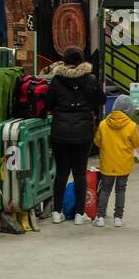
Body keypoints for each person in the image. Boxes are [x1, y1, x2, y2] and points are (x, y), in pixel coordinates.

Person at [47, 47, 104, 225]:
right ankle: (80, 214)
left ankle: (57, 212)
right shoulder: (91, 79)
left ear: (65, 60)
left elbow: (48, 103)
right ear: (81, 60)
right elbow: (101, 101)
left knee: (61, 172)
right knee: (79, 172)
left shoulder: (56, 79)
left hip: (60, 132)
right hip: (83, 132)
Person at [92, 95, 139, 228]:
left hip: (107, 163)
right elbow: (137, 143)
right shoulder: (131, 125)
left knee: (105, 189)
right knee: (120, 190)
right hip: (123, 164)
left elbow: (97, 141)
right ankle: (118, 218)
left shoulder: (103, 124)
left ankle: (100, 217)